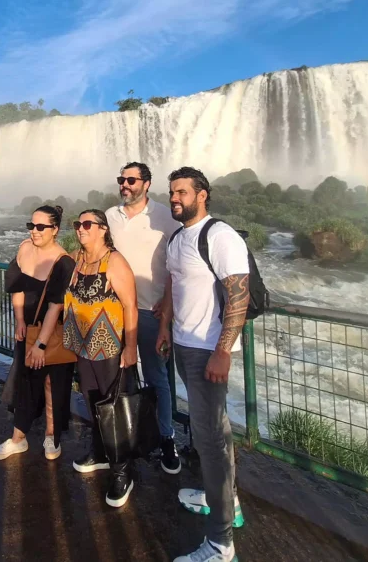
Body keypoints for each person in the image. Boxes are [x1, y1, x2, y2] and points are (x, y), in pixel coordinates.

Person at [158, 168, 250, 562]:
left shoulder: (221, 236)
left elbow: (238, 298)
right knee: (214, 432)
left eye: (182, 191)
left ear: (203, 194)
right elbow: (174, 285)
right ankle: (225, 498)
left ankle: (220, 542)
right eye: (172, 192)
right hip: (182, 344)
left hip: (207, 351)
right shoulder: (179, 237)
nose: (175, 197)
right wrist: (164, 326)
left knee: (210, 441)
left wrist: (223, 351)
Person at [106, 161, 182, 474]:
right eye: (121, 179)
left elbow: (179, 265)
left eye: (132, 180)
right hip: (115, 310)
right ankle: (119, 436)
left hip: (152, 312)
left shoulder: (166, 216)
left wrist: (168, 304)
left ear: (146, 184)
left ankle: (166, 437)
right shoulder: (111, 216)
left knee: (157, 378)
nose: (125, 185)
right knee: (116, 375)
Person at [64, 210, 139, 508]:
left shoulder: (115, 262)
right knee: (92, 400)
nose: (80, 229)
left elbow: (131, 307)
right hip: (83, 348)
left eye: (86, 225)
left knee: (113, 409)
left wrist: (131, 348)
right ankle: (99, 452)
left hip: (109, 348)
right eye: (77, 225)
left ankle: (122, 472)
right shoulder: (77, 259)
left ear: (102, 230)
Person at [0, 205, 75, 462]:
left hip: (53, 330)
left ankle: (52, 436)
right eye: (31, 226)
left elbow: (55, 306)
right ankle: (19, 438)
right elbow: (17, 286)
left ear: (55, 230)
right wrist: (18, 320)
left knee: (53, 384)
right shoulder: (25, 248)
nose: (34, 231)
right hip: (26, 328)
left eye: (41, 227)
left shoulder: (63, 261)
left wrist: (40, 344)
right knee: (24, 382)